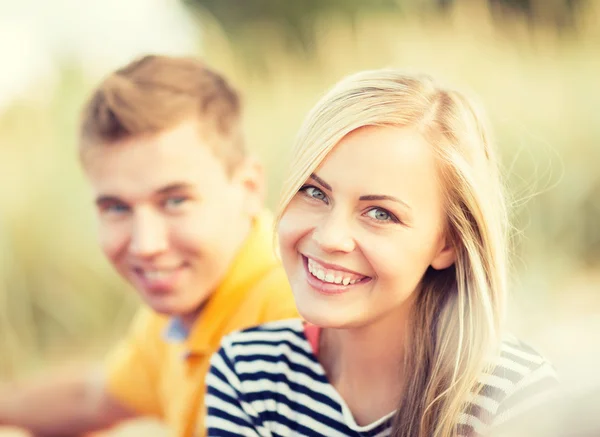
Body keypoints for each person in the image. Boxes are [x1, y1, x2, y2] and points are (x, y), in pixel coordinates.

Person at [204, 70, 559, 437]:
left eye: (380, 213)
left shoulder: (509, 399)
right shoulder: (248, 373)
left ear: (447, 243)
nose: (330, 238)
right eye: (314, 192)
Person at [0, 55, 297, 437]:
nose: (145, 245)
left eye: (175, 201)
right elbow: (93, 398)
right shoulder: (179, 309)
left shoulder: (292, 314)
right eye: (116, 207)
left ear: (248, 188)